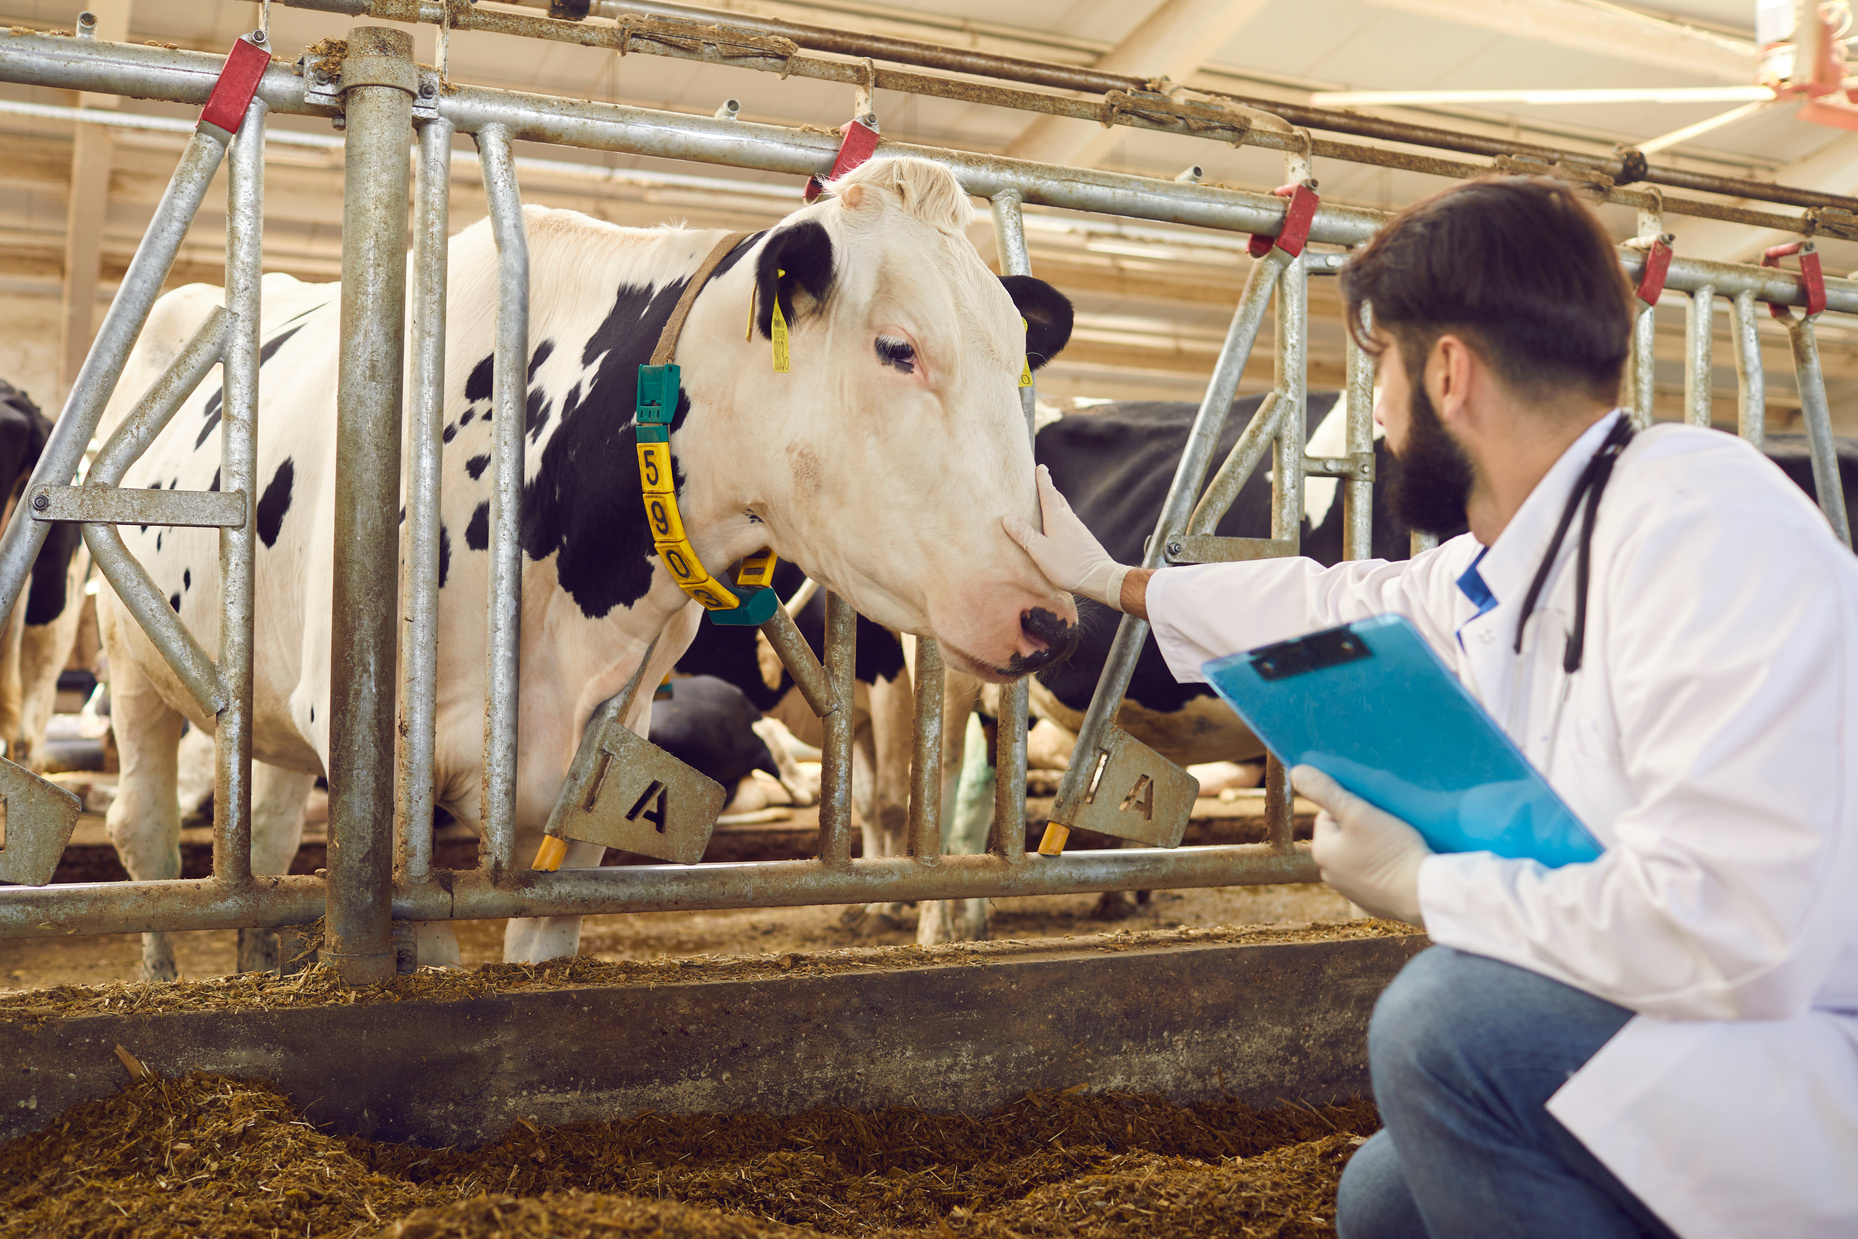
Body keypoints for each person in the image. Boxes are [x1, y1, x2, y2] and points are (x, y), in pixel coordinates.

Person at [1005, 176, 1858, 1239]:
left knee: (1446, 1024)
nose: (1374, 412)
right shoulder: (1543, 540)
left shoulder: (1706, 536)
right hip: (1693, 1013)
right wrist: (1112, 580)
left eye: (1377, 372)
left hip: (1794, 1037)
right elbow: (1341, 602)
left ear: (1446, 371)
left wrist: (1431, 886)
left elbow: (1735, 928)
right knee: (1386, 1197)